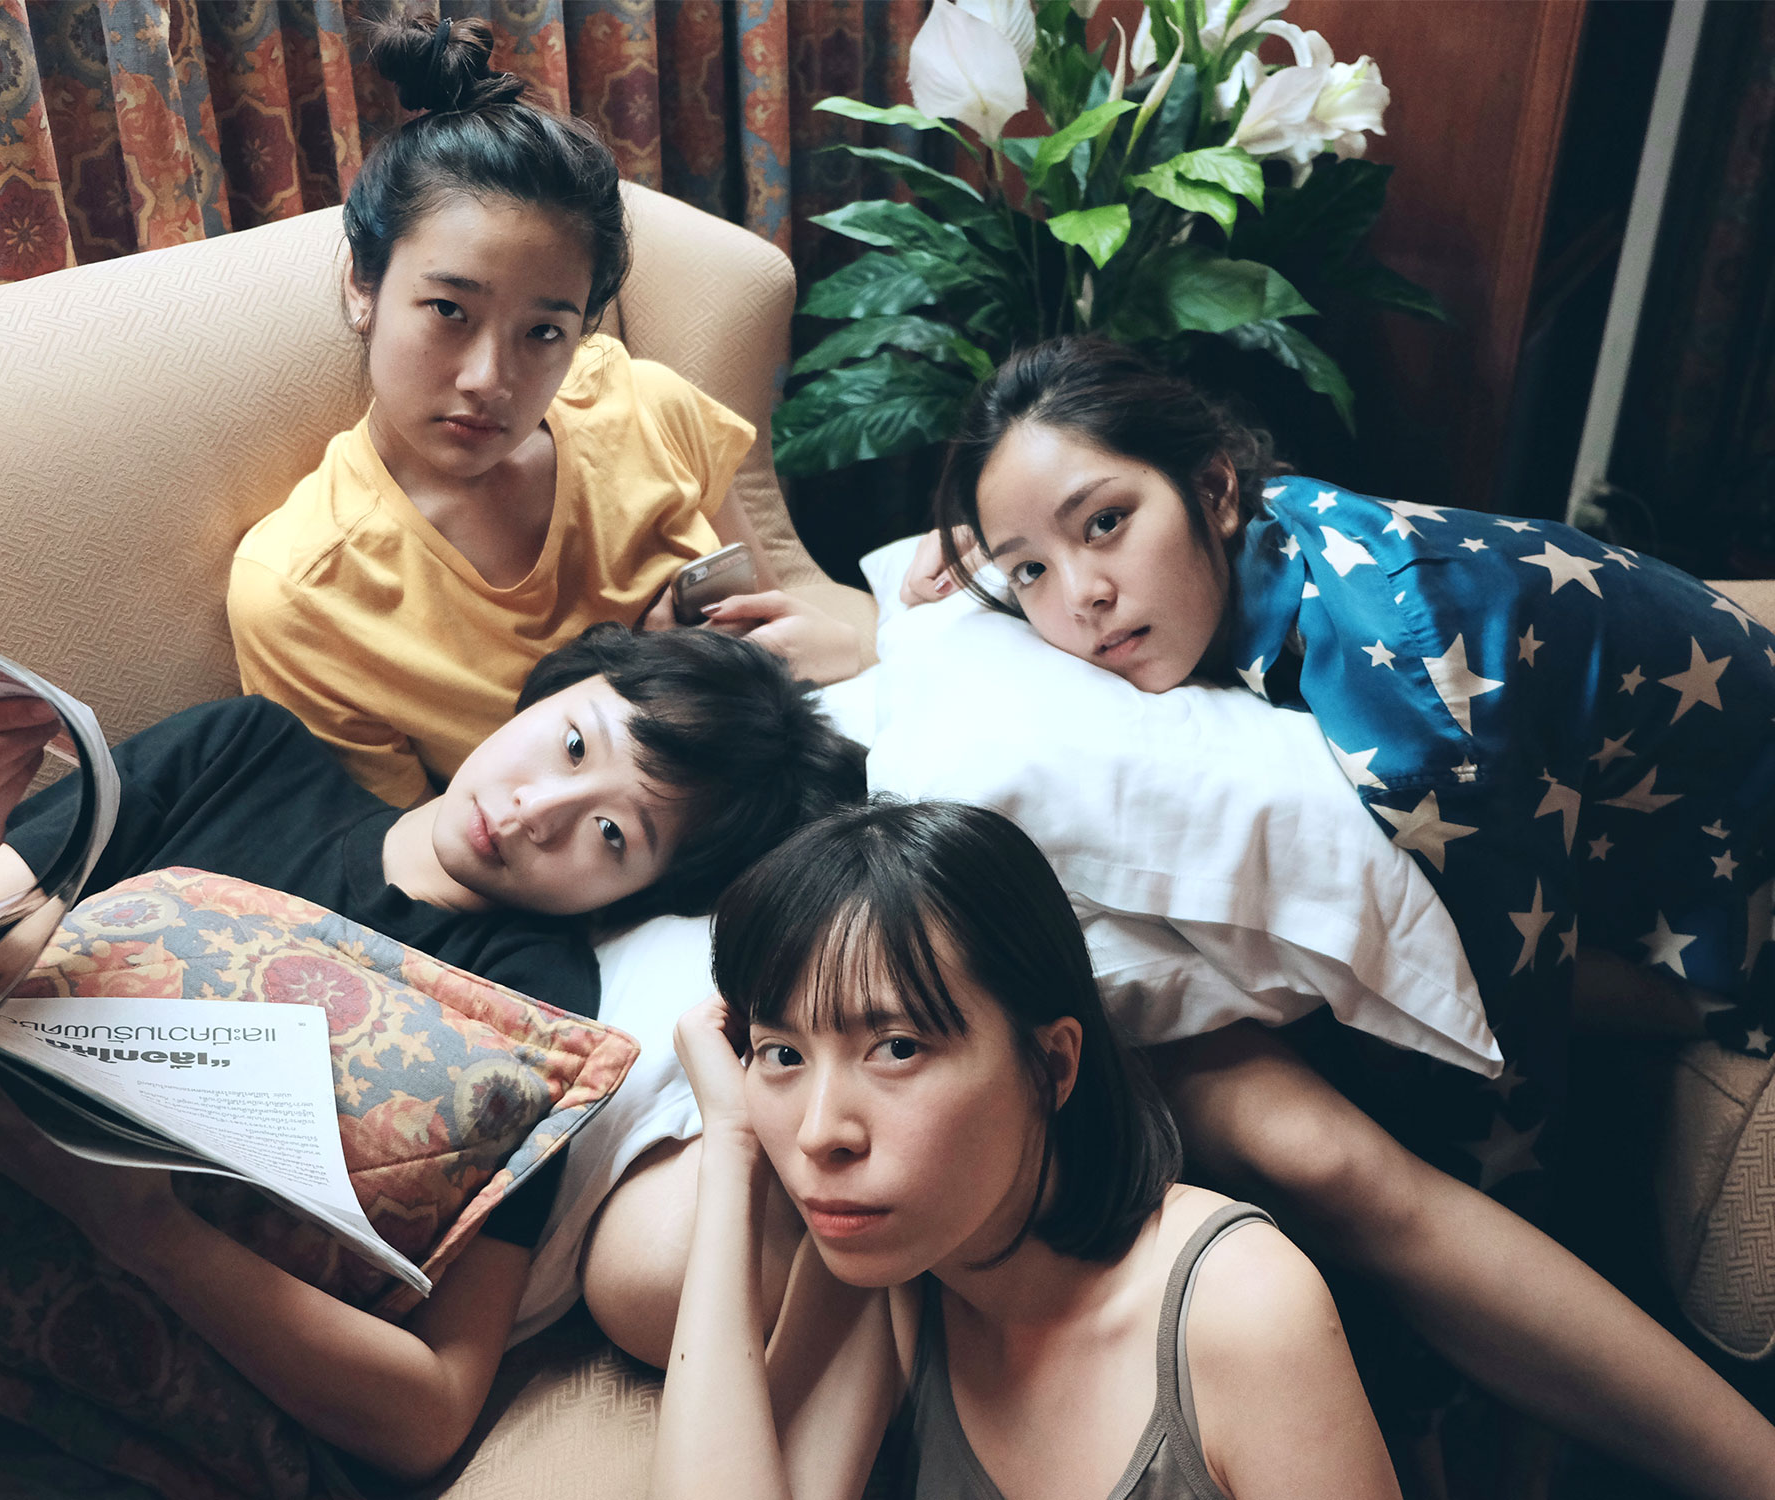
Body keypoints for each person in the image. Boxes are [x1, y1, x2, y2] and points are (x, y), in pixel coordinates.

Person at [903, 333, 1775, 1497]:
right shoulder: (1253, 539)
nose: (1081, 597)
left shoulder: (1410, 716)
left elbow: (1496, 1068)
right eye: (1028, 572)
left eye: (1104, 523)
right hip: (1622, 832)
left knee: (1334, 1133)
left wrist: (1414, 1400)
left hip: (1735, 927)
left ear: (1214, 486)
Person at [0, 622, 867, 1482]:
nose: (534, 813)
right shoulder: (243, 751)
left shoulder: (539, 1018)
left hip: (85, 1403)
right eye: (571, 744)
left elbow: (432, 1412)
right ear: (553, 688)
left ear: (641, 895)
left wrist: (142, 1227)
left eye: (610, 834)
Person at [651, 799, 1399, 1500]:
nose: (819, 1134)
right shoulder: (882, 1272)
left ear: (1051, 1065)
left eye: (898, 1048)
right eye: (782, 1055)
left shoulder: (1241, 1306)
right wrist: (732, 1146)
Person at [229, 12, 872, 808]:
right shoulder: (304, 596)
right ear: (363, 285)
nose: (488, 380)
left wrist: (830, 648)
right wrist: (648, 687)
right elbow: (409, 858)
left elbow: (775, 637)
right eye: (449, 310)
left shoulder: (644, 406)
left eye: (543, 332)